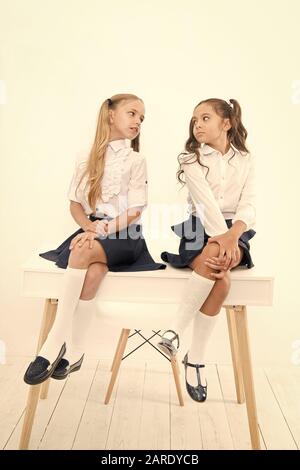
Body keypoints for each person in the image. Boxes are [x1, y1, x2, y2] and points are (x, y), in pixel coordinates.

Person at [24, 93, 166, 385]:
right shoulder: (85, 157)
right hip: (95, 231)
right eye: (132, 113)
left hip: (125, 234)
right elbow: (75, 205)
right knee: (93, 271)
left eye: (142, 117)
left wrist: (98, 230)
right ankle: (75, 351)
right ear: (111, 115)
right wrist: (89, 226)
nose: (138, 120)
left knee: (82, 253)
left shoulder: (137, 160)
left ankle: (52, 344)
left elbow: (136, 211)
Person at [158, 98, 256, 402]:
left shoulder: (246, 159)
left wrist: (233, 235)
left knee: (218, 262)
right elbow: (205, 204)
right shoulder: (190, 160)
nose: (197, 125)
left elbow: (249, 204)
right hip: (200, 225)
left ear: (225, 123)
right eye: (194, 120)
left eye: (205, 118)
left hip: (235, 230)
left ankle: (174, 333)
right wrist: (220, 238)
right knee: (222, 278)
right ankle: (195, 360)